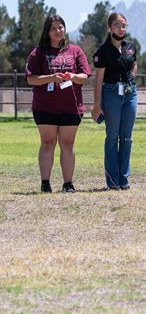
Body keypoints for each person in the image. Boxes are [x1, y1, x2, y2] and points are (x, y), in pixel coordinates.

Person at [26, 14, 91, 193]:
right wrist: (51, 78)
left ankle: (68, 184)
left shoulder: (75, 51)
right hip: (44, 106)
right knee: (47, 143)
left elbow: (84, 76)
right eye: (53, 28)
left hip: (71, 107)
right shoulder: (38, 53)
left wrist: (73, 76)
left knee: (68, 144)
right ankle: (45, 184)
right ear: (47, 31)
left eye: (60, 27)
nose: (58, 30)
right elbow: (31, 79)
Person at [91, 13, 139, 190]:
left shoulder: (131, 47)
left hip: (130, 93)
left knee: (126, 138)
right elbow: (98, 80)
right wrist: (96, 105)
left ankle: (124, 179)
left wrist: (131, 77)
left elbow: (134, 63)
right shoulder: (102, 52)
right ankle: (112, 181)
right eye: (118, 25)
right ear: (110, 28)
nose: (122, 29)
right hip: (111, 93)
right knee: (112, 137)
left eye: (124, 25)